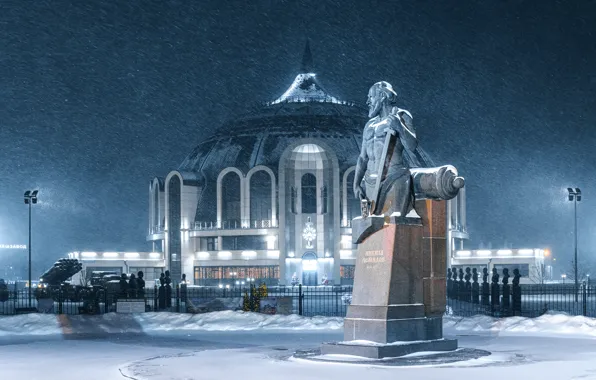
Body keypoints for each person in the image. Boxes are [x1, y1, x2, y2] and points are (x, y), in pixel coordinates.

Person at [353, 81, 418, 217]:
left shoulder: (401, 116)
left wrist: (399, 126)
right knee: (368, 229)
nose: (367, 102)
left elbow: (412, 146)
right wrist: (356, 184)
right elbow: (362, 158)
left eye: (370, 97)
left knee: (391, 225)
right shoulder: (369, 125)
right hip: (368, 184)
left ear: (382, 96)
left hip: (392, 178)